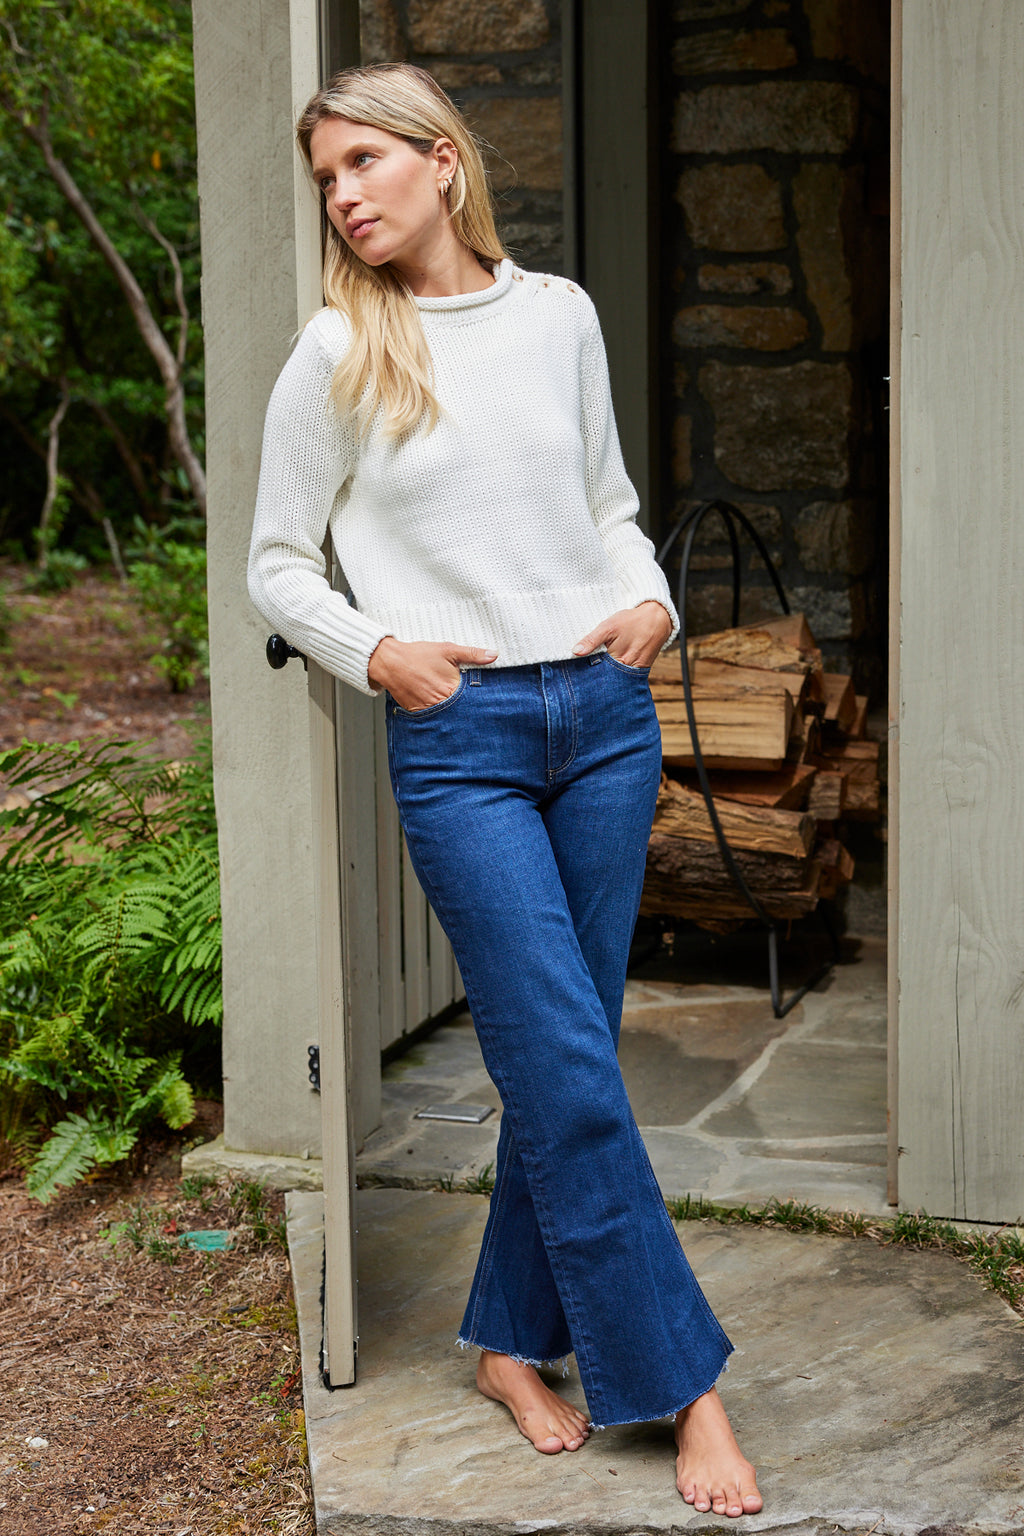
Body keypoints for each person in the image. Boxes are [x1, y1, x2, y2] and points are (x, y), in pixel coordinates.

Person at [247, 62, 762, 1519]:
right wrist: (381, 653)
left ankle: (502, 1343)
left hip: (601, 715)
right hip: (463, 738)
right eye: (325, 177)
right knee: (569, 1069)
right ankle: (687, 1387)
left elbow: (605, 505)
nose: (343, 195)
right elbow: (276, 564)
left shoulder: (557, 320)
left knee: (565, 1056)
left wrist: (648, 597)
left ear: (442, 163)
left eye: (362, 162)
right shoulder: (335, 355)